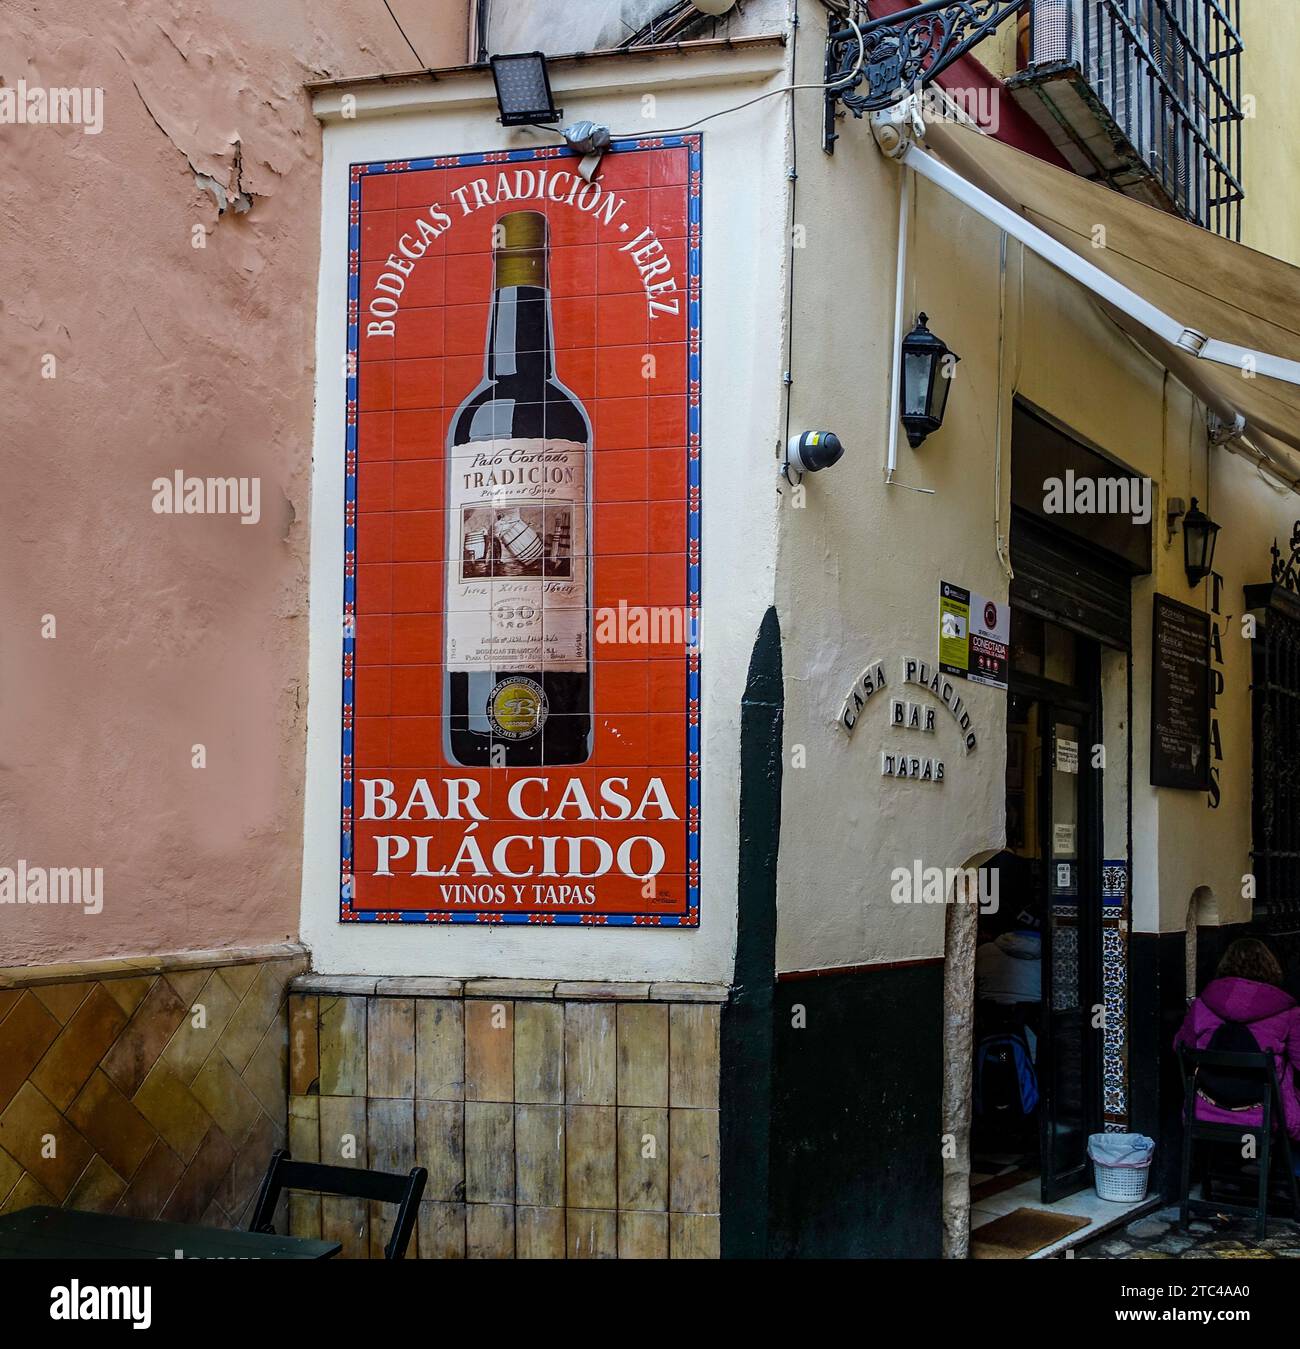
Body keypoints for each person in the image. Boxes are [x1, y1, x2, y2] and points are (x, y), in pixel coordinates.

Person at [1174, 937, 1300, 1142]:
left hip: (1205, 1110)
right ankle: (1265, 1163)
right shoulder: (1289, 1014)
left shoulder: (1201, 1005)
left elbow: (1180, 1045)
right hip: (1266, 1114)